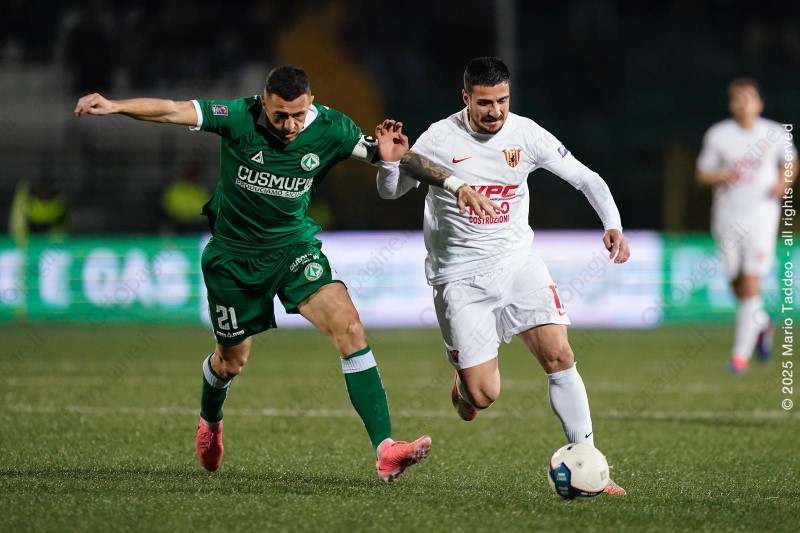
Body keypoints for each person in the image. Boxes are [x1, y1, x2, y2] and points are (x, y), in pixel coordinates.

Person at [74, 65, 496, 482]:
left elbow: (397, 158)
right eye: (280, 116)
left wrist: (454, 184)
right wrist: (114, 106)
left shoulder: (332, 129)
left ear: (311, 102)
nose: (290, 125)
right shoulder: (237, 117)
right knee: (231, 362)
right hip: (233, 260)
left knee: (350, 329)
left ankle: (385, 450)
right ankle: (210, 421)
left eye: (298, 114)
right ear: (263, 103)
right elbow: (172, 109)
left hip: (294, 250)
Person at [374, 56, 630, 495]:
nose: (496, 111)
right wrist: (388, 164)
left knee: (560, 355)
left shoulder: (525, 134)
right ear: (466, 98)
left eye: (503, 101)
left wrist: (613, 224)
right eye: (485, 103)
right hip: (458, 277)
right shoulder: (440, 137)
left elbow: (586, 179)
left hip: (516, 263)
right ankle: (464, 388)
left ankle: (589, 461)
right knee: (483, 396)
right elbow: (391, 191)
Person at [696, 78, 797, 375]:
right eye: (737, 99)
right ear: (731, 104)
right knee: (736, 282)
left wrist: (783, 184)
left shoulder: (775, 133)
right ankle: (762, 323)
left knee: (751, 280)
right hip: (727, 214)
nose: (742, 104)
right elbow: (702, 173)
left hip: (761, 214)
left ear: (759, 103)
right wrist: (721, 175)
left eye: (748, 98)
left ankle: (740, 356)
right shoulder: (718, 134)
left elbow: (791, 162)